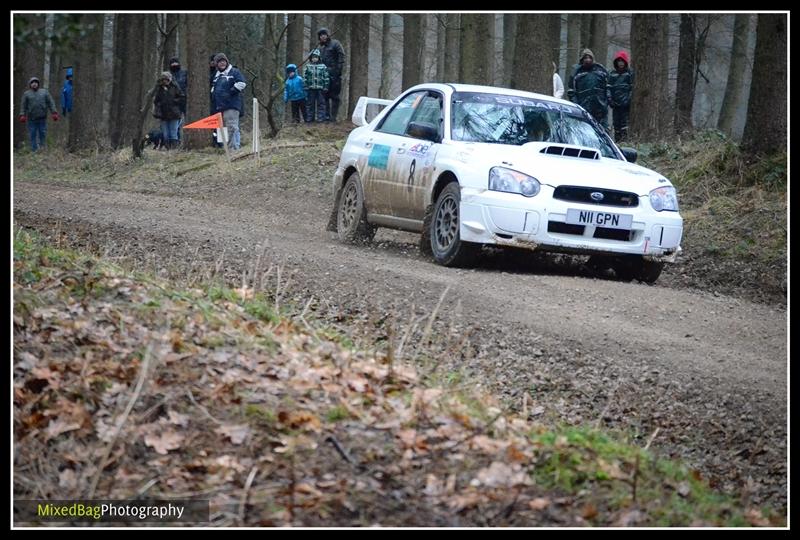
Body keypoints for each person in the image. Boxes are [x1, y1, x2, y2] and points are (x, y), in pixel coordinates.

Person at [567, 48, 610, 131]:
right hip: (584, 107)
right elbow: (571, 91)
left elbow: (608, 87)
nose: (588, 60)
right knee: (586, 130)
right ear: (582, 59)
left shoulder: (601, 70)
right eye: (585, 58)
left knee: (603, 131)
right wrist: (576, 105)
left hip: (600, 106)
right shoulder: (576, 72)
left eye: (589, 57)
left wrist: (607, 101)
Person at [210, 52, 246, 150]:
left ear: (227, 62)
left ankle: (233, 148)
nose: (222, 63)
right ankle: (225, 148)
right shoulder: (216, 76)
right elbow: (213, 89)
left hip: (232, 104)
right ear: (216, 64)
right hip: (219, 106)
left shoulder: (234, 71)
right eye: (219, 62)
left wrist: (231, 92)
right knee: (223, 128)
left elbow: (242, 83)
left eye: (223, 61)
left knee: (232, 126)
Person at [19, 76, 58, 152]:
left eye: (36, 82)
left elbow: (51, 102)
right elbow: (23, 105)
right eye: (32, 83)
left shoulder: (44, 92)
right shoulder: (26, 94)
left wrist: (54, 112)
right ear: (30, 84)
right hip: (31, 119)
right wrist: (22, 115)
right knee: (32, 134)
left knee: (42, 134)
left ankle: (42, 149)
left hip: (42, 118)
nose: (34, 84)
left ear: (38, 84)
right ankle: (34, 151)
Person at [317, 28, 344, 122]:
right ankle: (326, 117)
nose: (323, 36)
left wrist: (338, 71)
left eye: (324, 34)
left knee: (335, 96)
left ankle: (333, 117)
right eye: (321, 35)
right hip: (324, 76)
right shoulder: (320, 48)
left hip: (335, 75)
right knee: (325, 96)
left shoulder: (335, 43)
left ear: (328, 35)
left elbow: (341, 56)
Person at [152, 71, 185, 150]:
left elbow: (182, 97)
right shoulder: (159, 89)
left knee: (173, 133)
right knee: (166, 134)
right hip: (163, 114)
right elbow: (156, 101)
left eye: (166, 79)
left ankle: (174, 149)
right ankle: (168, 148)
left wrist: (174, 101)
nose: (165, 81)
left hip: (174, 114)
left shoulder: (175, 87)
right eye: (163, 80)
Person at [608, 50, 634, 142]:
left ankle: (625, 142)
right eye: (619, 61)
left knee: (625, 125)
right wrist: (610, 99)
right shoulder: (612, 74)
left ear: (625, 62)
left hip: (625, 104)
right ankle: (618, 143)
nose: (621, 63)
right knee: (616, 125)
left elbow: (632, 88)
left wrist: (628, 100)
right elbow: (608, 88)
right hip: (615, 104)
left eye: (622, 61)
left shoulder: (629, 74)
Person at [303, 49, 329, 123]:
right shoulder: (308, 66)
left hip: (320, 88)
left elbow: (326, 77)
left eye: (316, 57)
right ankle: (310, 118)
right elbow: (305, 77)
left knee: (321, 103)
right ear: (311, 58)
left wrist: (326, 86)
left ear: (319, 57)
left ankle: (321, 118)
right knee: (310, 103)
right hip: (311, 88)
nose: (315, 58)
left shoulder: (323, 66)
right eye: (313, 57)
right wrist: (305, 86)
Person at [168, 57, 188, 140]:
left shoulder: (185, 73)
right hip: (173, 102)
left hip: (185, 100)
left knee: (188, 121)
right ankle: (177, 140)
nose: (174, 65)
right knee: (175, 124)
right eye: (172, 64)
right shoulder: (169, 75)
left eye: (176, 63)